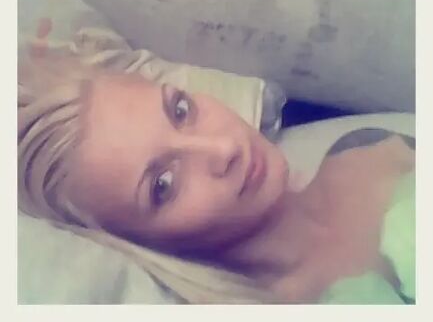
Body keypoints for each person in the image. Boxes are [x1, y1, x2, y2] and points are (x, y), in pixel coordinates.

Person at [18, 48, 415, 304]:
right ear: (138, 242)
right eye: (163, 185)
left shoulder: (369, 149)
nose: (223, 149)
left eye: (180, 110)